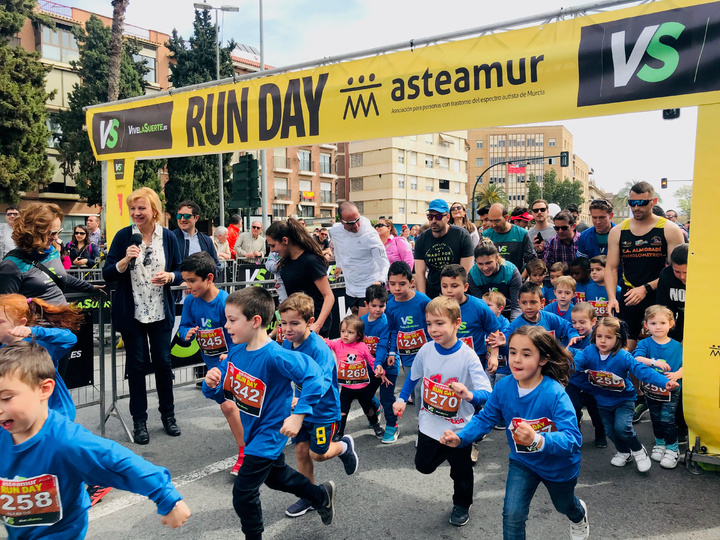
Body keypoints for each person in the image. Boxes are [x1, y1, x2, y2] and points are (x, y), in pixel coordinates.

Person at [0, 341, 191, 539]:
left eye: (6, 398)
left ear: (44, 389)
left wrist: (168, 499)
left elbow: (121, 463)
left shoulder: (68, 442)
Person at [202, 287, 336, 538]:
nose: (226, 325)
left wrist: (299, 415)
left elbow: (316, 377)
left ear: (255, 321)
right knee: (276, 478)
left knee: (243, 493)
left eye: (232, 320)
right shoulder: (236, 351)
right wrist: (211, 383)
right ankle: (320, 495)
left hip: (270, 433)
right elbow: (223, 391)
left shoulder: (276, 355)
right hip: (252, 430)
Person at [441, 326, 588, 540]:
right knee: (512, 515)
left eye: (526, 354)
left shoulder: (555, 393)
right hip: (523, 461)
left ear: (543, 360)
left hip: (558, 465)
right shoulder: (503, 387)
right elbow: (485, 418)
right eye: (512, 352)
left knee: (564, 505)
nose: (516, 359)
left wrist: (538, 439)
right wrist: (461, 437)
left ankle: (578, 514)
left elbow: (573, 439)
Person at [393, 296, 492, 527]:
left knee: (461, 473)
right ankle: (448, 454)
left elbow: (487, 392)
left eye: (440, 323)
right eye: (429, 323)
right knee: (423, 466)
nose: (433, 329)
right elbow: (413, 377)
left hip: (458, 429)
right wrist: (401, 399)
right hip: (429, 425)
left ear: (457, 323)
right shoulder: (426, 350)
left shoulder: (468, 356)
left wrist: (468, 395)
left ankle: (462, 503)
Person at [103, 187, 183, 445]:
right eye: (133, 209)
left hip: (160, 312)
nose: (136, 213)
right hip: (132, 313)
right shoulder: (124, 236)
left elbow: (181, 270)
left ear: (154, 211)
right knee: (136, 367)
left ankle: (168, 416)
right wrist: (124, 261)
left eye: (141, 208)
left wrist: (171, 277)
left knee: (163, 363)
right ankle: (140, 422)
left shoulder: (168, 237)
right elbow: (108, 273)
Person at [278, 293, 358, 518]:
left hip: (323, 412)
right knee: (301, 451)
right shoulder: (286, 343)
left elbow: (321, 383)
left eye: (294, 323)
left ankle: (344, 447)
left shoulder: (319, 349)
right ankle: (309, 496)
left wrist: (301, 403)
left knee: (318, 454)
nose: (288, 328)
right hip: (300, 411)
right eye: (284, 323)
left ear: (310, 322)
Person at [571, 316, 679, 471]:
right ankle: (624, 452)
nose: (602, 341)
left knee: (622, 428)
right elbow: (575, 365)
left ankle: (638, 451)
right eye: (599, 336)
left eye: (608, 337)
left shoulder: (623, 356)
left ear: (618, 339)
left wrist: (664, 382)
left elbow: (642, 371)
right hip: (602, 402)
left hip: (624, 400)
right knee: (609, 430)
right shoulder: (589, 351)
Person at [177, 252, 244, 474]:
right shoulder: (190, 301)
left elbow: (242, 333)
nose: (188, 286)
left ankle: (245, 453)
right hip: (212, 363)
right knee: (234, 406)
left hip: (233, 360)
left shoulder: (226, 302)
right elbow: (184, 325)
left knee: (230, 405)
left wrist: (231, 352)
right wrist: (187, 333)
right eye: (186, 280)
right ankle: (253, 444)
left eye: (192, 281)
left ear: (209, 278)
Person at [605, 182, 685, 351]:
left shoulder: (669, 229)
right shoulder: (618, 231)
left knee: (661, 344)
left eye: (641, 203)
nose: (636, 207)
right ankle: (628, 377)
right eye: (632, 203)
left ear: (653, 201)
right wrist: (612, 297)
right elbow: (611, 268)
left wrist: (646, 288)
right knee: (624, 346)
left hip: (660, 294)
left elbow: (674, 270)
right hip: (630, 293)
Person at [0, 293, 82, 421]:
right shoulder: (2, 351)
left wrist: (34, 331)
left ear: (21, 323)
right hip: (23, 418)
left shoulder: (41, 344)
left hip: (55, 416)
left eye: (0, 322)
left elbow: (70, 338)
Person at [0, 203, 97, 304]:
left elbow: (59, 275)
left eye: (58, 232)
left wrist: (90, 287)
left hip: (63, 317)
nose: (56, 238)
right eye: (52, 233)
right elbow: (7, 309)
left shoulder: (52, 250)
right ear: (33, 232)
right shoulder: (11, 266)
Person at [632, 305, 683, 469]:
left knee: (667, 419)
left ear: (671, 323)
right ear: (646, 325)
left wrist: (677, 375)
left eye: (662, 323)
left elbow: (688, 365)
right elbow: (637, 358)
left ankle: (673, 448)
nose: (658, 327)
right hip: (651, 389)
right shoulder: (645, 343)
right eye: (653, 323)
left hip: (671, 389)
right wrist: (654, 362)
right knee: (655, 417)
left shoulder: (677, 346)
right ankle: (660, 443)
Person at [266, 218, 334, 336]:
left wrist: (317, 325)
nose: (272, 251)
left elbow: (329, 296)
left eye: (273, 246)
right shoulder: (285, 262)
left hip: (313, 324)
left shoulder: (311, 261)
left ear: (285, 240)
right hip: (296, 324)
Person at [326, 314, 386, 440]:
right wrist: (314, 335)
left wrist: (378, 368)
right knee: (342, 411)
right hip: (346, 387)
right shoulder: (338, 344)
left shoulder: (362, 346)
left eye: (350, 332)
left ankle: (376, 425)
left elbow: (371, 360)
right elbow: (327, 342)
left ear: (358, 335)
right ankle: (339, 432)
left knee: (368, 409)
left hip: (362, 387)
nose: (345, 335)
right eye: (343, 331)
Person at [331, 202, 390, 316]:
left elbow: (384, 263)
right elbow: (338, 247)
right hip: (350, 289)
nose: (356, 226)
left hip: (368, 288)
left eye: (357, 220)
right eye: (351, 223)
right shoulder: (336, 230)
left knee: (363, 328)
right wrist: (338, 265)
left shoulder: (370, 235)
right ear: (342, 221)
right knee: (356, 330)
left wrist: (380, 281)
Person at [361, 284, 399, 444]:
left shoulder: (386, 322)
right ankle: (375, 408)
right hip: (370, 368)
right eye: (374, 305)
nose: (378, 309)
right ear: (366, 304)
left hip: (388, 366)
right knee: (364, 395)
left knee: (387, 397)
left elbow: (383, 346)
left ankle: (392, 425)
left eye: (382, 306)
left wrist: (379, 364)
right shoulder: (361, 322)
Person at [566, 302, 607, 448]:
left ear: (593, 322)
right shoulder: (571, 336)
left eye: (582, 322)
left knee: (596, 412)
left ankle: (601, 434)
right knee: (573, 408)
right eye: (574, 322)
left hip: (593, 383)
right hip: (574, 381)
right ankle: (575, 435)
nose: (578, 326)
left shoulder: (598, 338)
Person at [415, 199, 474, 298]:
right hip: (432, 291)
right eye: (430, 217)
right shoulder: (422, 239)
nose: (433, 221)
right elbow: (419, 272)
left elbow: (464, 271)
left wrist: (455, 294)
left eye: (438, 217)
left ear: (447, 217)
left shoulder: (462, 235)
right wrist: (423, 298)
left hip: (456, 290)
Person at [385, 261, 431, 372]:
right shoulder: (390, 306)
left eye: (402, 284)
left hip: (427, 354)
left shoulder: (423, 301)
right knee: (410, 387)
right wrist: (392, 352)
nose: (397, 288)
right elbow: (393, 330)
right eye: (392, 284)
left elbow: (433, 323)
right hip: (406, 357)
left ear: (411, 283)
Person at [467, 241, 522, 321]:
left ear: (496, 258)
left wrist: (513, 329)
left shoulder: (511, 271)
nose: (485, 268)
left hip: (508, 310)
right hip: (487, 313)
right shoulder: (473, 274)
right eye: (480, 264)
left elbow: (516, 306)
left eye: (488, 263)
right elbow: (480, 306)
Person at [483, 203, 536, 275]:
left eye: (497, 221)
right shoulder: (486, 235)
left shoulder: (522, 234)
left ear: (506, 218)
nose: (493, 224)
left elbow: (531, 261)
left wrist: (521, 278)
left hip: (516, 279)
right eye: (491, 221)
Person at [173, 200, 221, 275]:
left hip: (201, 285)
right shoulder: (171, 238)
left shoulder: (206, 240)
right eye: (179, 216)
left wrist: (208, 279)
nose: (182, 219)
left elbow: (216, 266)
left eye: (187, 216)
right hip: (179, 286)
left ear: (196, 218)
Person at [656, 243, 687, 342]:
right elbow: (663, 308)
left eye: (686, 272)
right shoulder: (666, 275)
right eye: (677, 272)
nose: (682, 277)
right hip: (676, 319)